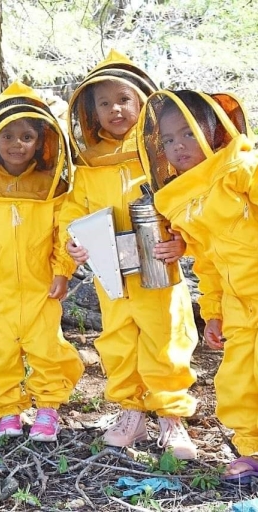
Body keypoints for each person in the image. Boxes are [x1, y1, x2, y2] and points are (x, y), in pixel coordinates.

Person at [58, 50, 199, 459]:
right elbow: (73, 210)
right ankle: (132, 411)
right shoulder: (88, 165)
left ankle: (171, 418)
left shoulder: (161, 153)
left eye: (123, 99)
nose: (115, 109)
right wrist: (73, 240)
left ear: (141, 103)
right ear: (91, 111)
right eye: (104, 103)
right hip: (110, 270)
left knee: (165, 338)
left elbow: (187, 203)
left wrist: (182, 241)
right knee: (117, 338)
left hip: (158, 267)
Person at [0, 82, 84, 440]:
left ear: (41, 142)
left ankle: (48, 409)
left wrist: (62, 271)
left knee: (47, 348)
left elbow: (64, 232)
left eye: (26, 136)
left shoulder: (51, 185)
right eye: (7, 136)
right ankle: (7, 411)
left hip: (43, 288)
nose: (16, 144)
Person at [139, 89, 258, 482]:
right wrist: (214, 312)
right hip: (239, 304)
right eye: (168, 140)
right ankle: (252, 449)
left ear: (213, 130)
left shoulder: (240, 169)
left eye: (187, 133)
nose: (178, 146)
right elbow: (206, 262)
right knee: (238, 379)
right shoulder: (180, 198)